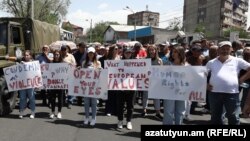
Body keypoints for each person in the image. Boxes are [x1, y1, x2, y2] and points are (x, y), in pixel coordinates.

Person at [206, 41, 250, 125]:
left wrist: (242, 78)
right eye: (223, 49)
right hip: (214, 93)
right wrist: (205, 84)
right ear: (218, 50)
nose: (225, 51)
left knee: (233, 117)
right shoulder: (211, 62)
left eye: (227, 49)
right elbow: (202, 75)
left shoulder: (237, 61)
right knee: (215, 117)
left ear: (231, 50)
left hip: (232, 93)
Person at [6, 50, 36, 119]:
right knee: (22, 98)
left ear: (30, 56)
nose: (26, 56)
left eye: (27, 55)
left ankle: (32, 112)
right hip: (22, 84)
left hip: (30, 84)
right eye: (25, 55)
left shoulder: (33, 63)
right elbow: (15, 58)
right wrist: (8, 57)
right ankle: (21, 111)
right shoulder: (21, 60)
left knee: (31, 98)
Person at [163, 46, 187, 125]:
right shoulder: (167, 64)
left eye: (175, 52)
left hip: (182, 92)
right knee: (168, 111)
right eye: (173, 52)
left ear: (181, 53)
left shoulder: (187, 66)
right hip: (169, 91)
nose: (173, 54)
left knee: (180, 111)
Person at [116, 47, 136, 130]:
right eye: (126, 52)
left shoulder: (136, 63)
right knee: (120, 105)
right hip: (121, 87)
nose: (128, 54)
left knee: (130, 106)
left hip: (131, 87)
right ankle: (120, 120)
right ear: (123, 53)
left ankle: (129, 121)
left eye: (129, 53)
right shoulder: (119, 62)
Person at [142, 45, 163, 120]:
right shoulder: (145, 60)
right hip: (147, 80)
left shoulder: (159, 60)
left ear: (155, 51)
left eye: (153, 50)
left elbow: (161, 72)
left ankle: (157, 112)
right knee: (145, 96)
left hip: (156, 81)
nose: (151, 51)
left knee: (156, 97)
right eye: (150, 50)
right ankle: (144, 110)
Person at [82, 47, 101, 127]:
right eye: (89, 53)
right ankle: (86, 117)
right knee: (86, 103)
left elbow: (100, 73)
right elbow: (81, 74)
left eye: (92, 53)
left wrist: (100, 70)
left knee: (93, 103)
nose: (91, 54)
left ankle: (93, 118)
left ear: (94, 54)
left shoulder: (98, 63)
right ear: (87, 54)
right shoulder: (84, 63)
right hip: (86, 86)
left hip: (95, 86)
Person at [48, 50, 64, 119]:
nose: (56, 56)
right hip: (53, 83)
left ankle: (59, 112)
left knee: (60, 99)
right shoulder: (51, 63)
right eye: (55, 54)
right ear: (53, 55)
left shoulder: (63, 63)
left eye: (58, 54)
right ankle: (52, 112)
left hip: (61, 83)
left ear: (60, 55)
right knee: (52, 98)